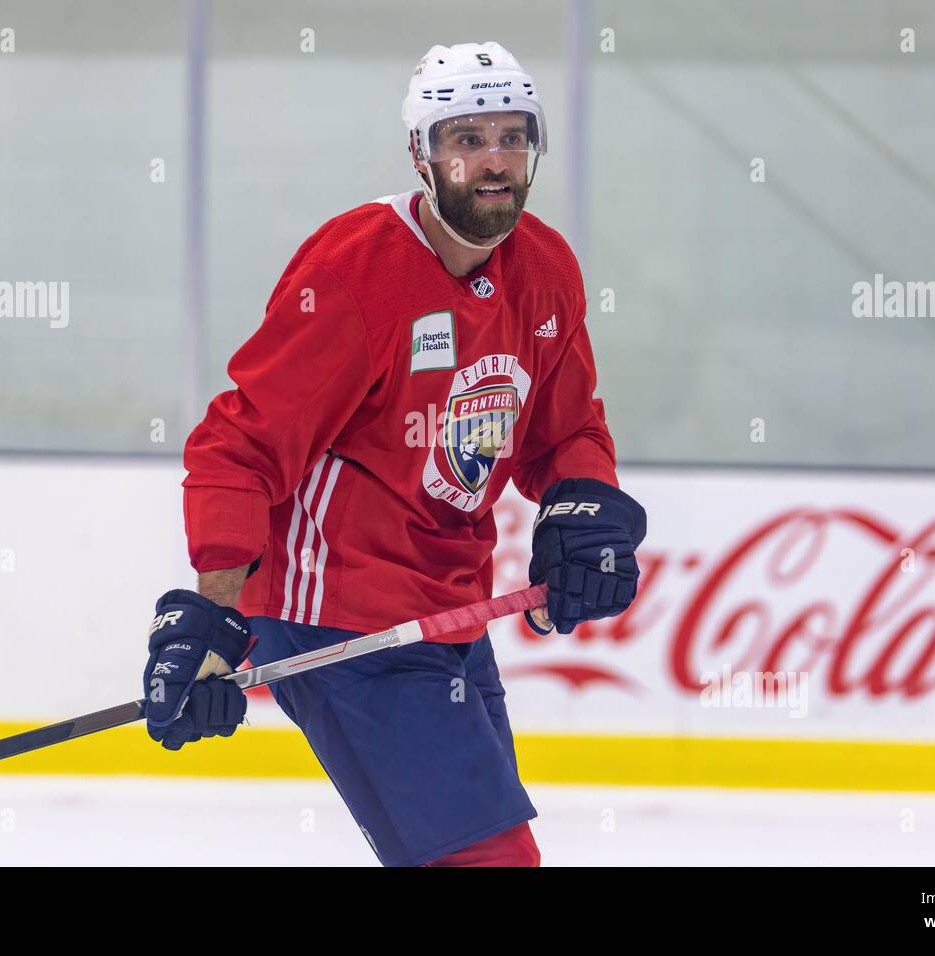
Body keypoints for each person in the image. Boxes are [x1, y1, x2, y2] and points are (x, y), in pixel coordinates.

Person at [141, 41, 646, 867]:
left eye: (512, 137)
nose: (494, 162)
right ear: (422, 153)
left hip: (447, 611)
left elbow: (565, 432)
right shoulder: (355, 273)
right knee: (488, 861)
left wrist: (584, 514)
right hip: (335, 618)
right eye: (466, 138)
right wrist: (213, 616)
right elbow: (239, 445)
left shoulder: (545, 269)